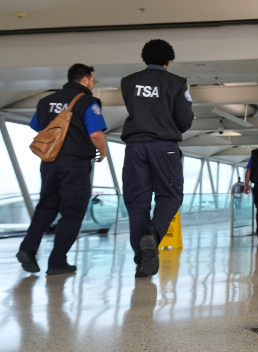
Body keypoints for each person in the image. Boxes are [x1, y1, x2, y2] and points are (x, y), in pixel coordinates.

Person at [17, 64, 107, 275]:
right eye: (93, 80)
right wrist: (102, 152)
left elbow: (38, 126)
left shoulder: (45, 101)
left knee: (46, 207)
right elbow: (95, 134)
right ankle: (57, 262)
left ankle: (27, 249)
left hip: (49, 162)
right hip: (75, 163)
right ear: (84, 79)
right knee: (73, 212)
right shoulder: (87, 102)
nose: (93, 84)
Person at [120, 39, 194, 278]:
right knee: (171, 195)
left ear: (145, 58)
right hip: (164, 147)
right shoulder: (176, 82)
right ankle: (153, 233)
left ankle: (143, 262)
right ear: (168, 61)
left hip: (134, 147)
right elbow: (184, 118)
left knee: (137, 201)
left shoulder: (128, 82)